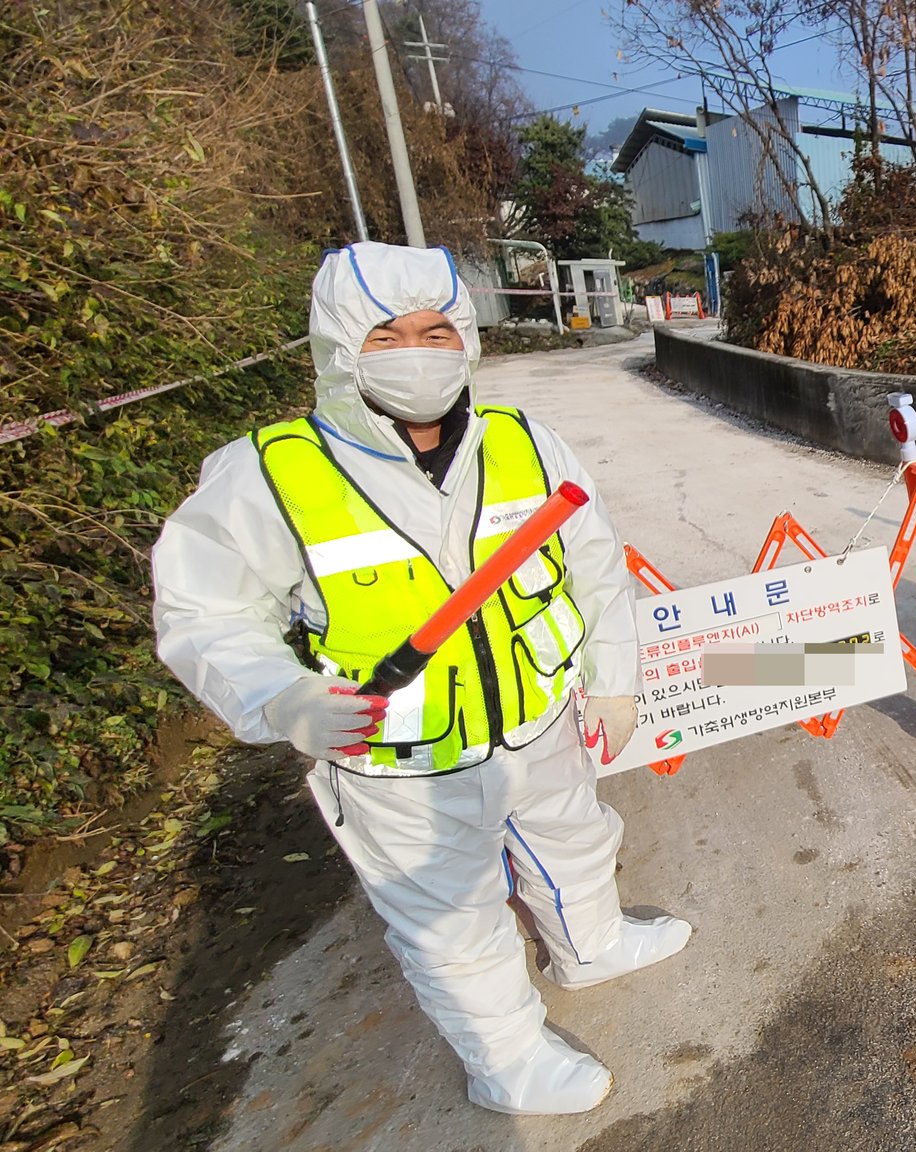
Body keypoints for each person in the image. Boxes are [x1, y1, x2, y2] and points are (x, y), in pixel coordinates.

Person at [152, 242, 687, 1115]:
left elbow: (593, 566)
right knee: (452, 918)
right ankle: (506, 1060)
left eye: (437, 329)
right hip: (399, 758)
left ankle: (591, 943)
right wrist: (280, 697)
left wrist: (613, 679)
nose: (418, 349)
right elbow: (203, 612)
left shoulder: (523, 443)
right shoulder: (270, 475)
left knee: (576, 837)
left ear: (466, 337)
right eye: (388, 333)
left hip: (537, 715)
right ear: (338, 347)